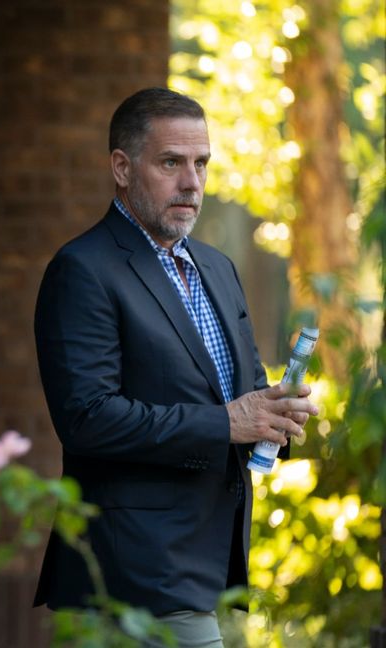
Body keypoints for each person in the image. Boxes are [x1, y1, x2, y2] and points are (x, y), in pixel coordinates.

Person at [31, 87, 318, 646]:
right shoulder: (82, 269)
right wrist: (228, 423)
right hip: (133, 570)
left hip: (213, 563)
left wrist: (278, 415)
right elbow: (88, 418)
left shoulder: (217, 267)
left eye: (201, 164)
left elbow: (247, 393)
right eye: (171, 163)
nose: (192, 182)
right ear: (121, 167)